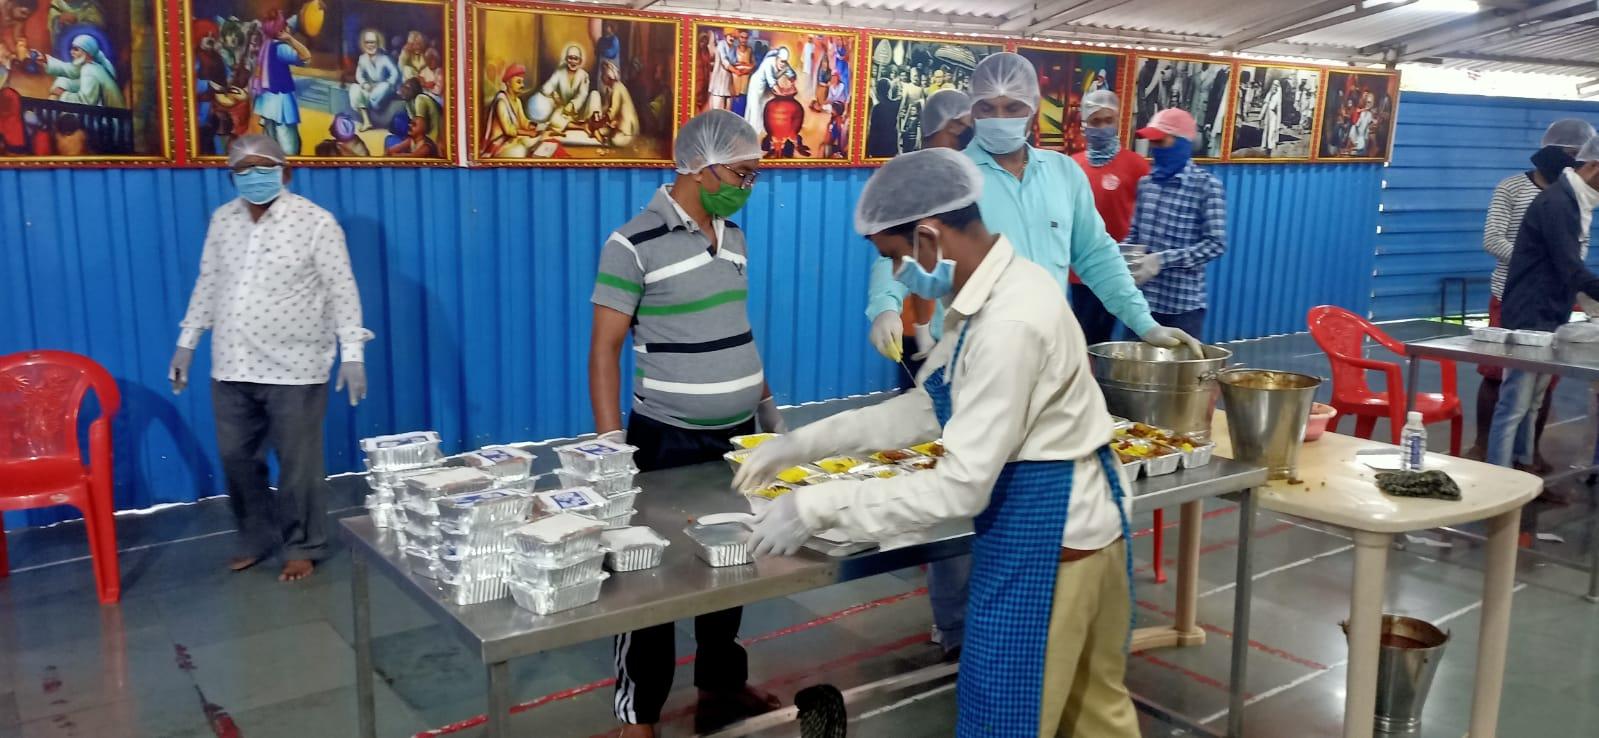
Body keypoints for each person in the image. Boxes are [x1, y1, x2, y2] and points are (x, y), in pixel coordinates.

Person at [739, 147, 1139, 738]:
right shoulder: (994, 292)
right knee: (1095, 716)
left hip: (1053, 541)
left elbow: (960, 486)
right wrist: (799, 444)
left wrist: (816, 506)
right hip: (1076, 523)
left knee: (1011, 718)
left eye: (895, 257)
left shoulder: (1009, 322)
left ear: (928, 237)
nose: (898, 274)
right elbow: (930, 405)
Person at [588, 110, 786, 738]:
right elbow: (604, 350)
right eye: (740, 173)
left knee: (730, 560)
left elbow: (734, 326)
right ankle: (638, 717)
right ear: (700, 167)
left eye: (754, 175)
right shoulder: (632, 243)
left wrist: (767, 407)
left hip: (737, 435)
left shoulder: (735, 237)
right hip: (666, 438)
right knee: (650, 577)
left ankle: (719, 689)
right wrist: (610, 446)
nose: (747, 185)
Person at [867, 52, 1203, 375]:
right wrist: (886, 307)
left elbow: (1096, 255)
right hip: (969, 358)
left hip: (1049, 356)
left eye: (1012, 107)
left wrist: (1144, 323)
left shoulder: (1064, 174)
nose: (1000, 118)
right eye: (987, 108)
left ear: (1033, 108)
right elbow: (900, 252)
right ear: (973, 111)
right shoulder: (945, 177)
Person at [169, 134, 371, 583]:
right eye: (244, 170)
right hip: (231, 363)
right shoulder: (223, 221)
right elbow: (208, 282)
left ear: (286, 172)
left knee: (298, 464)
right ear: (231, 177)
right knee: (236, 457)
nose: (254, 177)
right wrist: (188, 342)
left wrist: (352, 353)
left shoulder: (315, 223)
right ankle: (256, 536)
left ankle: (302, 545)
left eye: (264, 167)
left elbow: (342, 289)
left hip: (295, 366)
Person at [1466, 118, 1595, 462]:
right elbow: (1493, 239)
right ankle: (1484, 447)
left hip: (1553, 296)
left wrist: (1572, 282)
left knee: (1541, 384)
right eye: (1571, 154)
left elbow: (1574, 252)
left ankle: (1529, 454)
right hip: (1512, 294)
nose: (1576, 161)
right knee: (1499, 377)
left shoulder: (1575, 196)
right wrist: (1534, 259)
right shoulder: (1514, 188)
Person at [1122, 108, 1227, 339]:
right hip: (1142, 303)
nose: (1155, 148)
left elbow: (1216, 244)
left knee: (1180, 363)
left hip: (1183, 307)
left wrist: (1162, 261)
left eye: (1161, 141)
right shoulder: (1147, 184)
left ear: (1182, 143)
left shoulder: (1207, 186)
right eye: (1152, 142)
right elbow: (1135, 233)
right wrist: (1124, 256)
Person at [1071, 89, 1150, 347]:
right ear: (1085, 124)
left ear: (1117, 121)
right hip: (1080, 271)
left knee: (1115, 338)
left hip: (1120, 268)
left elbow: (1147, 217)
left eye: (1108, 120)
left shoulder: (1136, 165)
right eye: (1095, 121)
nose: (1103, 127)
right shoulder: (1072, 166)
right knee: (1084, 336)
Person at [251, 13, 310, 155]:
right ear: (281, 31)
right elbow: (306, 58)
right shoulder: (281, 48)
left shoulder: (266, 46)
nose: (289, 28)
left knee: (271, 143)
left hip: (266, 101)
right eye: (286, 26)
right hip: (281, 102)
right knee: (289, 147)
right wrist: (290, 39)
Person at [39, 34, 124, 107]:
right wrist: (45, 60)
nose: (71, 52)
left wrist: (62, 94)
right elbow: (70, 70)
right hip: (100, 112)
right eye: (72, 49)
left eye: (76, 49)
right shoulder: (89, 65)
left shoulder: (90, 70)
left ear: (87, 52)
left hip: (109, 117)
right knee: (63, 80)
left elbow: (85, 102)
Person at [530, 44, 593, 134]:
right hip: (563, 110)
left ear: (580, 61)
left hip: (578, 111)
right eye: (570, 58)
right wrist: (553, 94)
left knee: (594, 96)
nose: (573, 61)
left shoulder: (584, 75)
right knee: (554, 120)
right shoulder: (560, 72)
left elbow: (582, 95)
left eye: (575, 58)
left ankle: (580, 124)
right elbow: (547, 87)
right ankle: (581, 127)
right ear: (566, 59)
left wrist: (572, 105)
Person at [481, 64, 539, 158]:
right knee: (520, 151)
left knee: (533, 142)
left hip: (512, 139)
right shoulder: (501, 102)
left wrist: (533, 126)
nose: (522, 85)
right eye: (518, 82)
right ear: (508, 83)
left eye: (522, 82)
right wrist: (528, 133)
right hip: (499, 143)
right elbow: (508, 130)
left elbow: (523, 121)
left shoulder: (517, 101)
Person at [350, 29, 400, 131]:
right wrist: (365, 84)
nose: (370, 45)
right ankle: (367, 121)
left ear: (378, 43)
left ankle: (372, 102)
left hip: (383, 90)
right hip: (369, 89)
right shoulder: (362, 58)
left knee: (384, 87)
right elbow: (359, 75)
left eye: (373, 42)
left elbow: (395, 73)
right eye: (367, 42)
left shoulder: (384, 58)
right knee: (354, 88)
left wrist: (388, 83)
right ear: (363, 44)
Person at [743, 46, 793, 137]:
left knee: (763, 109)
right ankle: (752, 135)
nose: (783, 64)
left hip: (765, 88)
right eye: (781, 61)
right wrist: (782, 94)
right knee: (754, 109)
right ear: (777, 58)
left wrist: (792, 83)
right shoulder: (768, 63)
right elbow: (772, 83)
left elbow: (792, 75)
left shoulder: (784, 64)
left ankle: (761, 134)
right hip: (755, 86)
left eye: (784, 62)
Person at [706, 28, 736, 111]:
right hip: (719, 81)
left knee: (728, 109)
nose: (732, 38)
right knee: (717, 108)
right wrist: (736, 71)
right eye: (730, 36)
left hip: (728, 82)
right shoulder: (721, 45)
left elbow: (734, 62)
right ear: (726, 36)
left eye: (734, 37)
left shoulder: (733, 48)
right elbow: (725, 62)